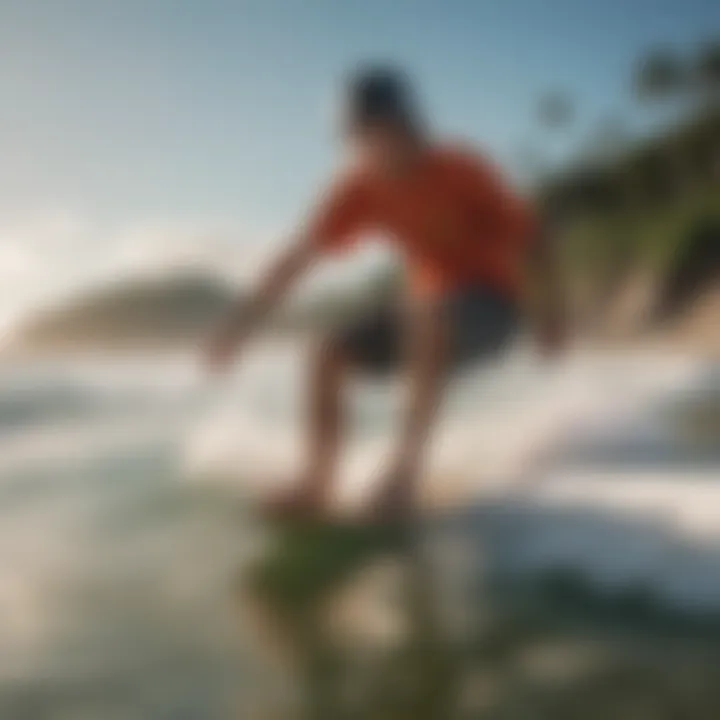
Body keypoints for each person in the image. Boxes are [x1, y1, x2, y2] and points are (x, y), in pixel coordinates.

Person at [204, 66, 565, 520]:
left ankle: (403, 477)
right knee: (325, 350)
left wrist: (553, 318)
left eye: (382, 131)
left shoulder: (462, 169)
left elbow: (535, 239)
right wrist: (239, 325)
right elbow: (297, 257)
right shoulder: (357, 187)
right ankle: (317, 482)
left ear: (409, 124)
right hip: (426, 314)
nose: (372, 147)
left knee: (427, 311)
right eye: (358, 138)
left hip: (491, 310)